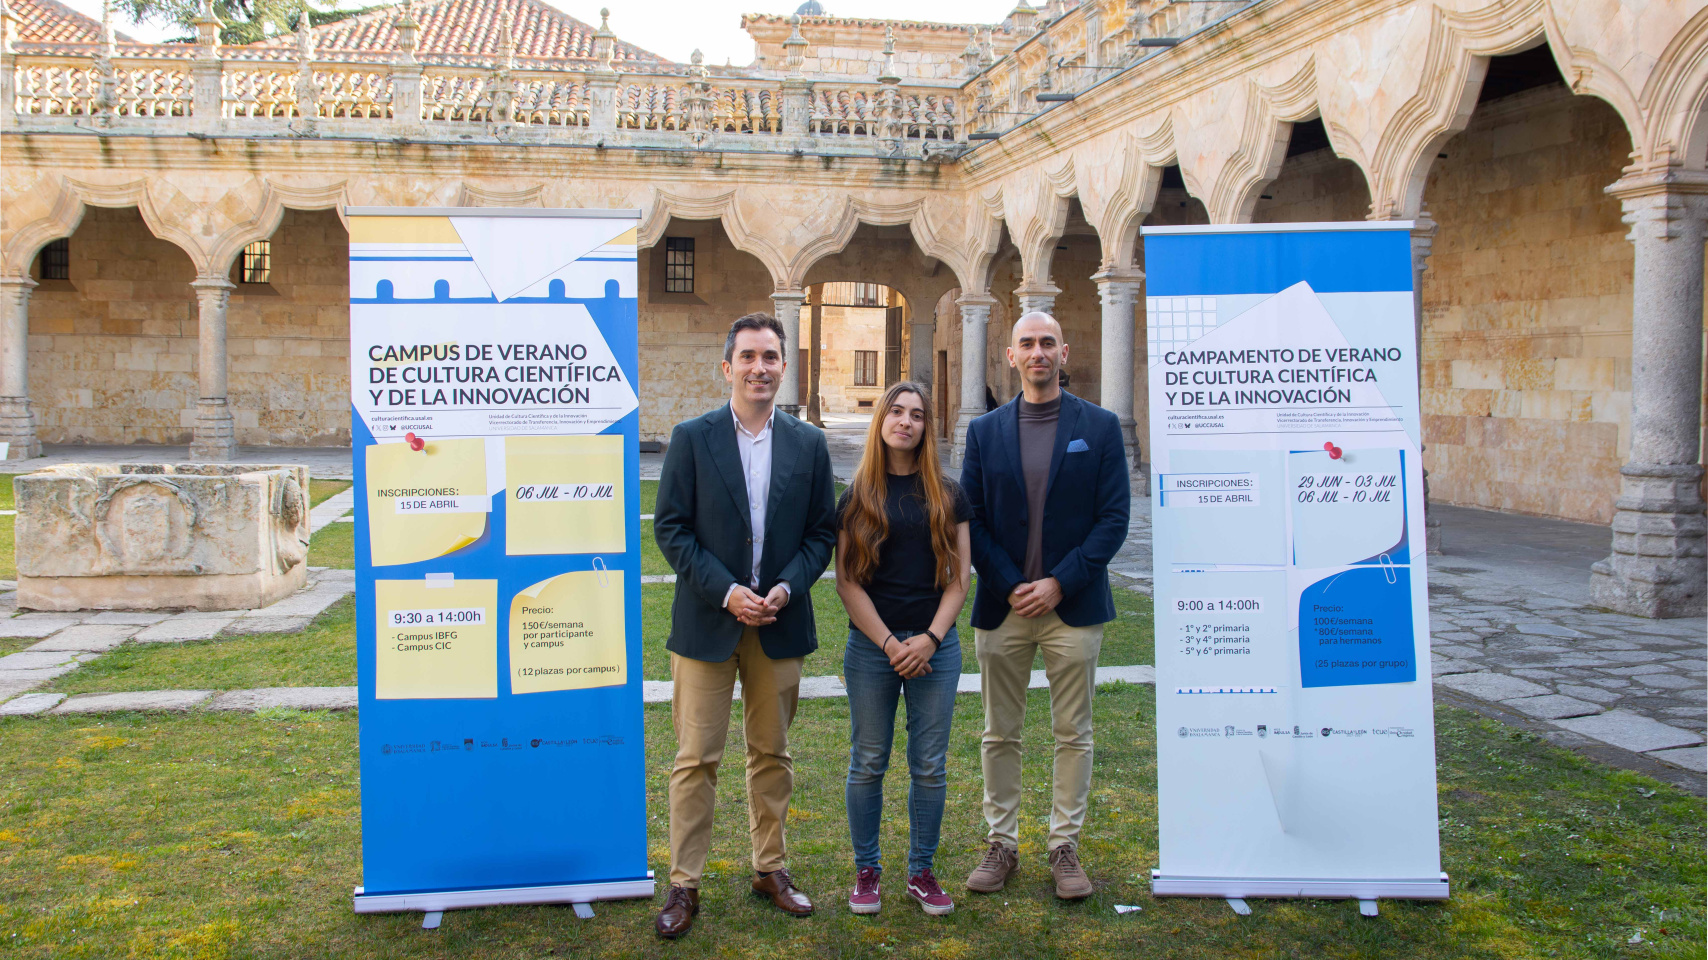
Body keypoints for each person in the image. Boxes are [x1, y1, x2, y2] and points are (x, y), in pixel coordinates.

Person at [651, 312, 837, 939]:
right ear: (728, 367)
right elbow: (671, 530)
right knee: (695, 757)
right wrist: (728, 592)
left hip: (779, 625)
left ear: (785, 367)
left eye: (771, 357)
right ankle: (684, 884)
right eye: (749, 357)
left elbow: (821, 534)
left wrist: (785, 587)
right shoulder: (692, 437)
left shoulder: (808, 445)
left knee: (772, 754)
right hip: (708, 622)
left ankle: (770, 868)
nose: (761, 367)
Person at [958, 311, 1130, 901]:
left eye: (1047, 343)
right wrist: (1009, 583)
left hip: (1072, 605)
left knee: (1072, 732)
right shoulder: (984, 432)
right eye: (1026, 344)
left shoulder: (1101, 428)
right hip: (1004, 607)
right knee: (999, 732)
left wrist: (1058, 582)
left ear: (1064, 352)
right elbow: (971, 520)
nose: (1037, 353)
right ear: (1010, 357)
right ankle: (1001, 842)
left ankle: (1064, 846)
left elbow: (1113, 521)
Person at [834, 381, 972, 918]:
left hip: (936, 645)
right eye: (896, 412)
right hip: (874, 649)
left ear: (926, 427)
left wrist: (930, 639)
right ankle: (867, 870)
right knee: (868, 761)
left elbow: (960, 579)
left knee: (929, 765)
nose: (906, 422)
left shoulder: (949, 494)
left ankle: (922, 871)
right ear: (882, 421)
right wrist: (891, 643)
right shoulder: (856, 495)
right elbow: (847, 582)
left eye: (917, 414)